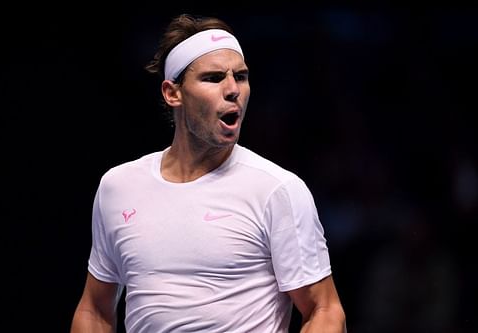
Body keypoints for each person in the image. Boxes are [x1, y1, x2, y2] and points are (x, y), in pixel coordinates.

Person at [70, 13, 346, 333]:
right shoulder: (118, 187)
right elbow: (94, 311)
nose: (233, 89)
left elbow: (324, 310)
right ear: (173, 93)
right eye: (214, 78)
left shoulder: (278, 189)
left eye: (240, 76)